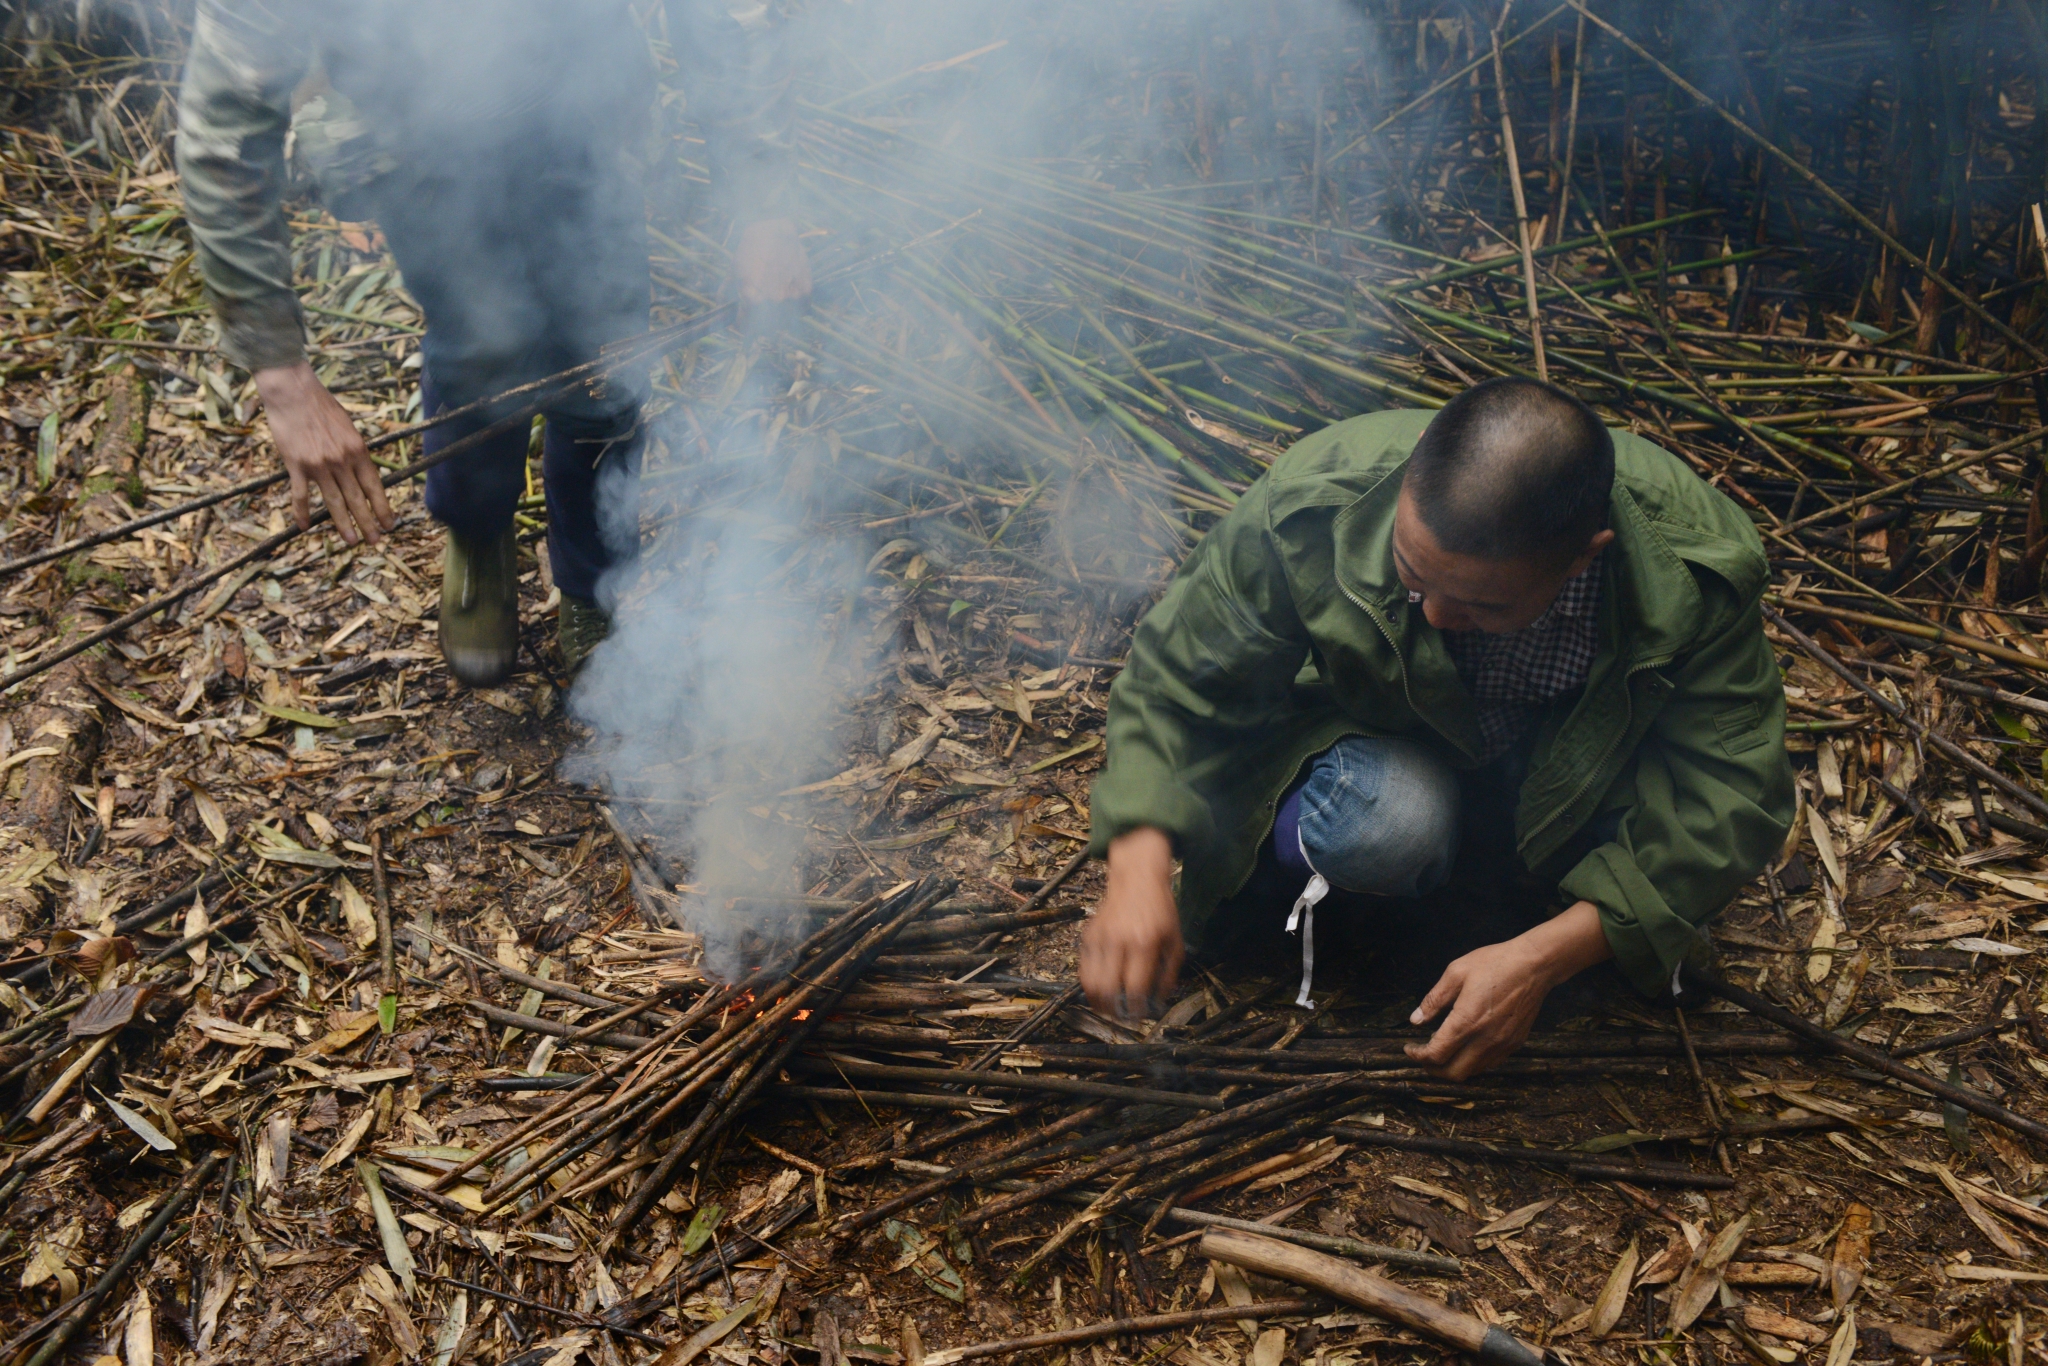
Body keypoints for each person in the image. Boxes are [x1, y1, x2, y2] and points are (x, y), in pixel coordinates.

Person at [1080, 378, 1795, 1079]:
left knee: (1636, 883)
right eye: (1411, 573)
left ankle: (1539, 911)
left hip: (1571, 789)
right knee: (1386, 823)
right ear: (1414, 462)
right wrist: (1138, 869)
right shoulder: (1318, 496)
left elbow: (1729, 791)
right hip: (1384, 754)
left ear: (1586, 554)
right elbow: (1179, 680)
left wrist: (1546, 958)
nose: (1433, 618)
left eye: (1481, 605)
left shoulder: (1691, 565)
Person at [175, 0, 813, 685]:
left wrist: (760, 198)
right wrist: (281, 375)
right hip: (414, 134)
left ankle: (592, 579)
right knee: (482, 347)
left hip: (586, 107)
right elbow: (225, 129)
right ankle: (477, 532)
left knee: (604, 360)